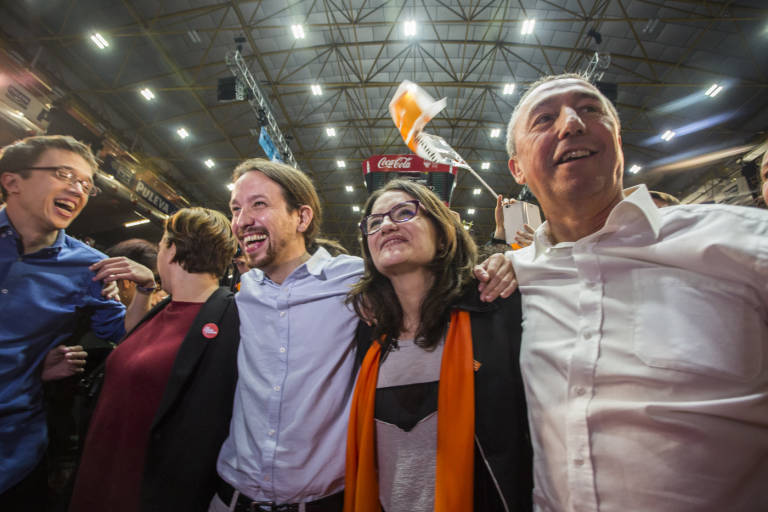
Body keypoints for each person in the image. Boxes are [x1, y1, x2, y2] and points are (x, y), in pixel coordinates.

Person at [505, 73, 768, 510]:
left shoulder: (742, 242)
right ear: (517, 169)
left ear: (618, 141)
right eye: (544, 118)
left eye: (590, 109)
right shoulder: (514, 278)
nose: (571, 123)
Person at [211, 158, 517, 512]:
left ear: (302, 217)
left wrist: (508, 261)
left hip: (325, 502)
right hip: (230, 498)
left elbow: (438, 277)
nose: (242, 220)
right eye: (236, 208)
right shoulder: (240, 295)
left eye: (258, 204)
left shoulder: (352, 281)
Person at [343, 180, 532, 512]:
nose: (386, 225)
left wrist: (518, 260)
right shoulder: (366, 332)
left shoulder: (493, 309)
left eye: (404, 212)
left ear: (443, 235)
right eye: (374, 222)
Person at [0, 135, 154, 509]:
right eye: (63, 174)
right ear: (13, 181)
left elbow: (128, 336)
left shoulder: (89, 267)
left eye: (87, 184)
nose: (78, 189)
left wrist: (146, 288)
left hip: (14, 455)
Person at [69, 207, 240, 512]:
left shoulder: (229, 318)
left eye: (162, 244)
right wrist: (146, 288)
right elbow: (132, 341)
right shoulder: (167, 307)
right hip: (103, 467)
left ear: (171, 249)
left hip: (143, 487)